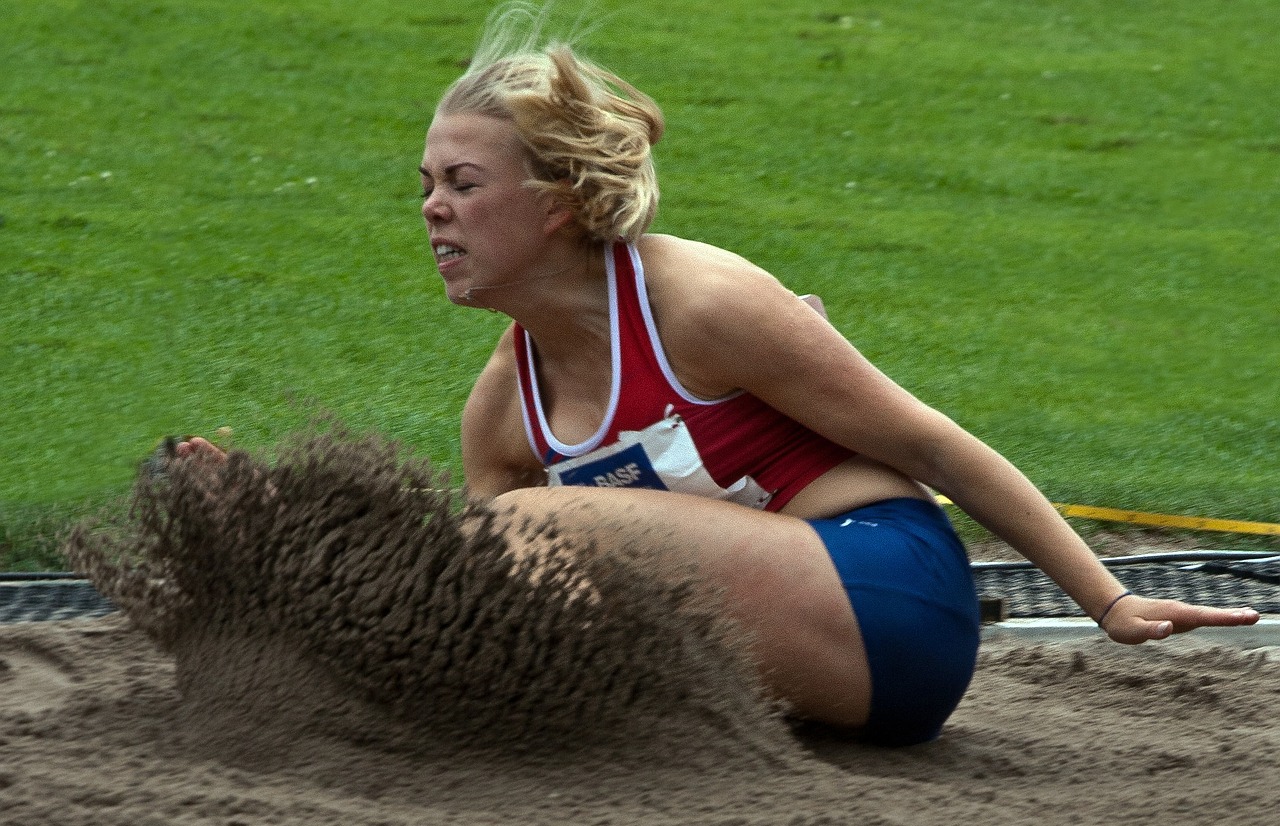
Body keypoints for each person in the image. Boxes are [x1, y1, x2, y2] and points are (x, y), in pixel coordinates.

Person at [182, 9, 1259, 746]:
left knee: (531, 527)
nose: (430, 209)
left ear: (556, 202)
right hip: (782, 678)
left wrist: (1104, 598)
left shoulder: (698, 301)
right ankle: (295, 588)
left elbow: (931, 445)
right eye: (425, 184)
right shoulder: (504, 405)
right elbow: (478, 607)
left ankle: (299, 539)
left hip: (893, 608)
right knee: (502, 577)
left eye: (462, 183)